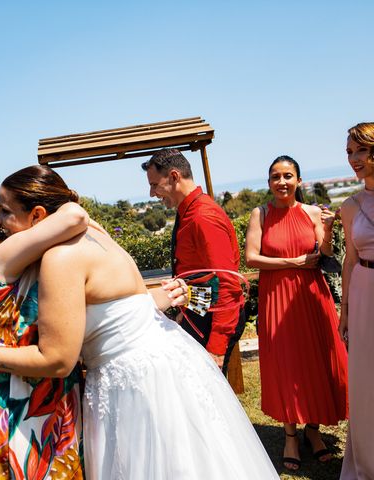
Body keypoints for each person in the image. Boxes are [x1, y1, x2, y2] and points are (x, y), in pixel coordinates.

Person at [0, 165, 279, 479]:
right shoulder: (97, 233)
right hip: (171, 361)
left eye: (6, 212)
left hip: (131, 384)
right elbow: (120, 312)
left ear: (38, 216)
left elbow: (57, 359)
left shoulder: (60, 257)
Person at [0, 188, 90, 479]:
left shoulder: (52, 264)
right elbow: (75, 217)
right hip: (13, 406)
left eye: (5, 212)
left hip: (58, 404)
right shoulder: (3, 259)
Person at [245, 156, 348, 471]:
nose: (282, 182)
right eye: (275, 177)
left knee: (316, 362)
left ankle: (313, 432)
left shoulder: (312, 212)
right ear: (269, 183)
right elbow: (251, 258)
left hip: (311, 297)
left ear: (299, 181)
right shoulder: (260, 214)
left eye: (288, 176)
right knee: (288, 365)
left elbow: (324, 253)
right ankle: (291, 436)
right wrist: (294, 262)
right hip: (277, 297)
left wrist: (328, 230)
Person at [141, 149, 245, 374]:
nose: (152, 193)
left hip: (214, 321)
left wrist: (216, 348)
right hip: (200, 312)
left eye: (155, 185)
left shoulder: (203, 217)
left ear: (174, 177)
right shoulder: (189, 211)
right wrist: (184, 313)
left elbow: (227, 284)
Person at [339, 122, 374, 480]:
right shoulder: (349, 207)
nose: (353, 159)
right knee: (367, 383)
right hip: (365, 292)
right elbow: (349, 259)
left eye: (360, 150)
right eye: (349, 152)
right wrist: (344, 311)